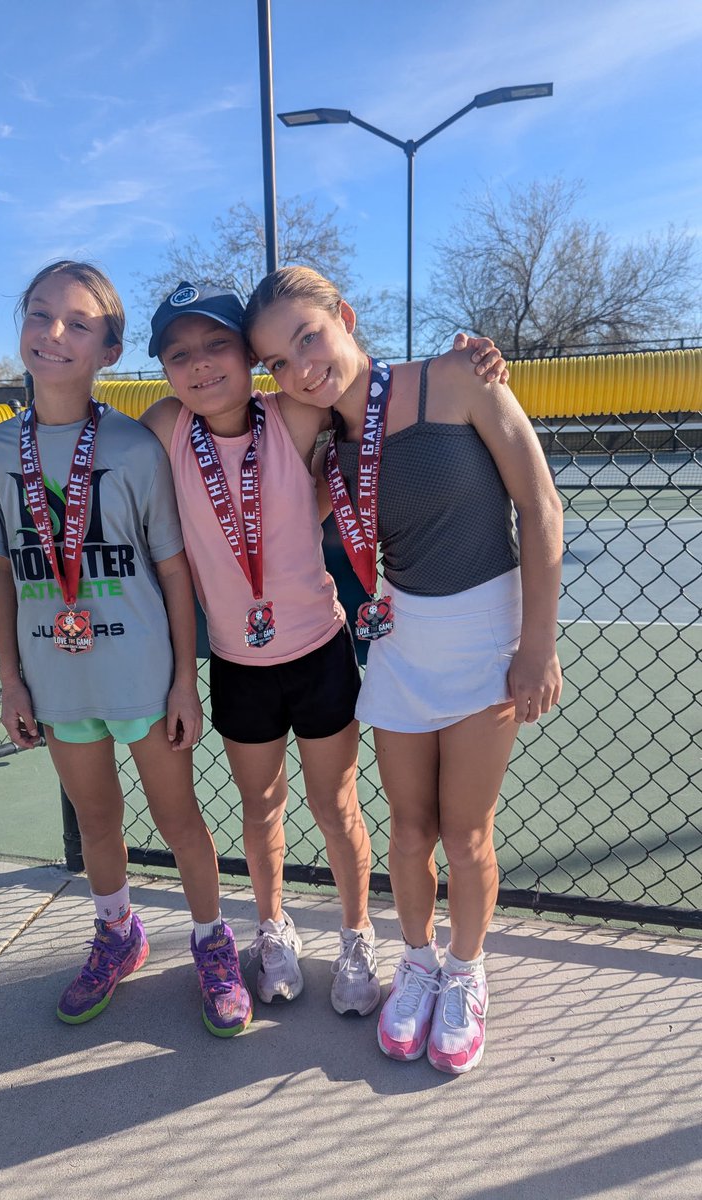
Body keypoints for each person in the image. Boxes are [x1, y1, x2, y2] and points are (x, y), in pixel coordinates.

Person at [139, 282, 508, 1017]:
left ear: (251, 360)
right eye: (180, 355)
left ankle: (356, 935)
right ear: (165, 371)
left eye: (219, 347)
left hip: (319, 649)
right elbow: (84, 440)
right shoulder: (163, 426)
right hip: (238, 663)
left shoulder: (297, 410)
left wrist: (468, 354)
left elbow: (366, 386)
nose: (202, 366)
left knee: (337, 806)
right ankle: (273, 932)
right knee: (260, 804)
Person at [244, 266, 563, 1073]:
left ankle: (466, 972)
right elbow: (216, 451)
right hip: (400, 644)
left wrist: (537, 645)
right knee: (410, 829)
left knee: (464, 833)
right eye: (279, 361)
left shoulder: (460, 375)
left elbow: (541, 507)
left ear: (345, 316)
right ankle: (417, 962)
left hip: (487, 637)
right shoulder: (324, 453)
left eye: (308, 336)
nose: (302, 366)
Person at [0, 261, 252, 1038]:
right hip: (55, 683)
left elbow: (172, 568)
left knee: (179, 820)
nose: (53, 333)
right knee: (97, 822)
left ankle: (210, 941)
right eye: (39, 314)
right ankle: (117, 933)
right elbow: (2, 568)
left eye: (78, 323)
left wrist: (184, 685)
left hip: (142, 677)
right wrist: (11, 680)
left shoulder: (134, 448)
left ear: (111, 349)